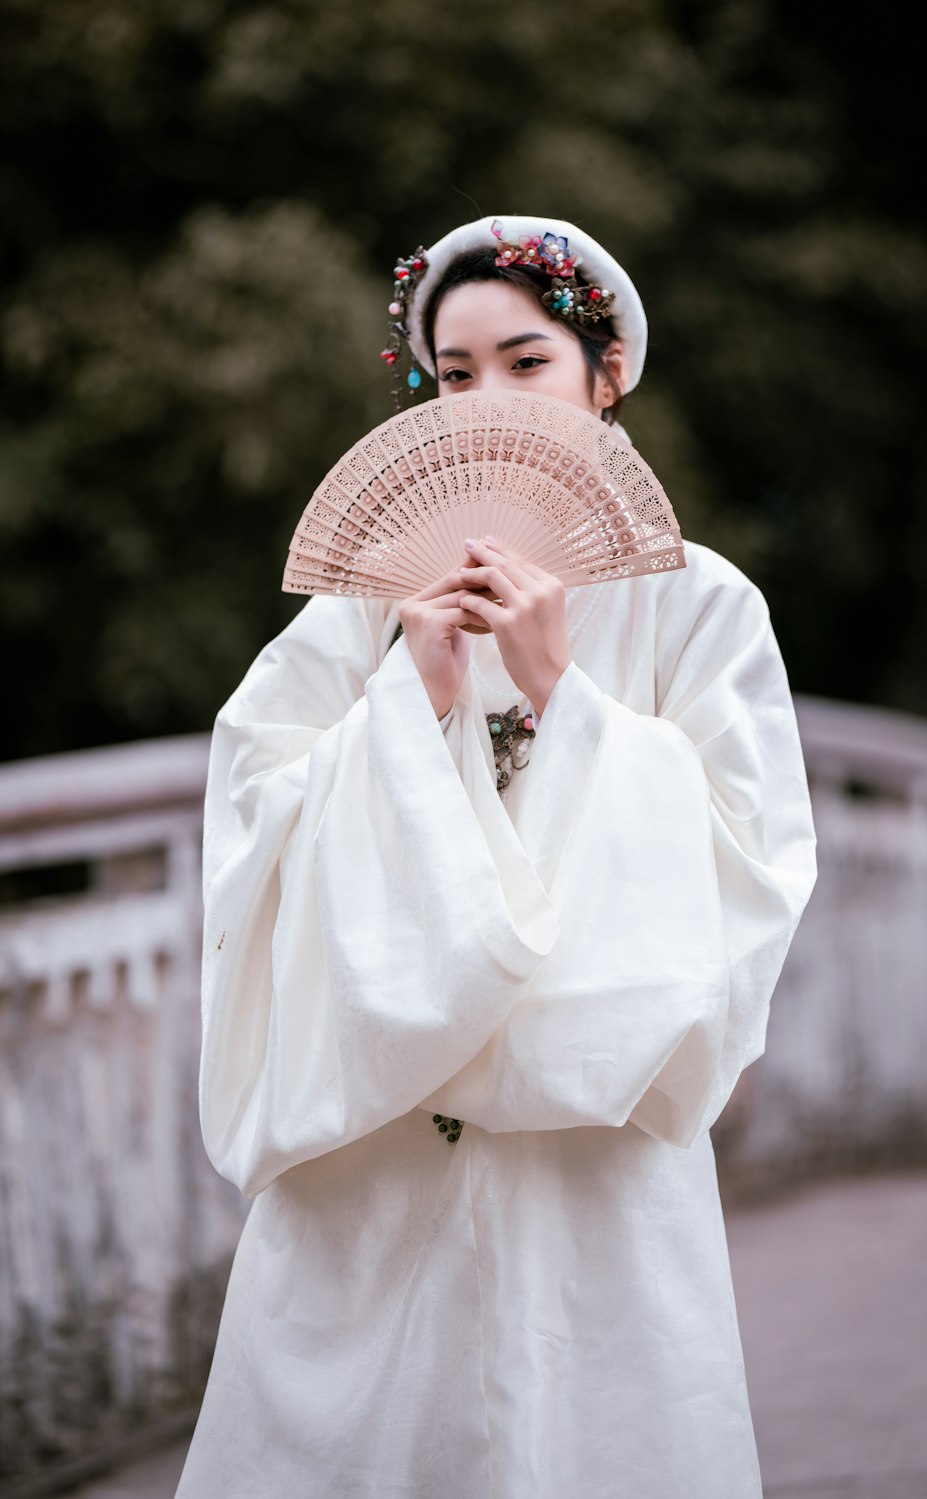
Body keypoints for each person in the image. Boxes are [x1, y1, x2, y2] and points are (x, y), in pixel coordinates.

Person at [177, 214, 817, 1498]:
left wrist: (560, 689)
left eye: (526, 362)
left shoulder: (701, 600)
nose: (487, 402)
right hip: (374, 1146)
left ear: (607, 370)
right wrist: (401, 702)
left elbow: (752, 858)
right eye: (453, 375)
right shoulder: (365, 608)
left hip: (591, 1155)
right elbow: (254, 807)